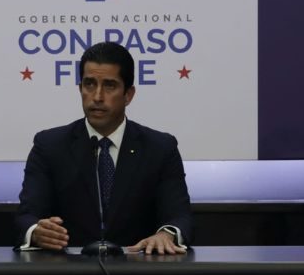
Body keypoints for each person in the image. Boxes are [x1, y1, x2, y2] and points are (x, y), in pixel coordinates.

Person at [16, 42, 193, 254]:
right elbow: (26, 215)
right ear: (80, 88)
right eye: (89, 84)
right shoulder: (50, 145)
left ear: (128, 94)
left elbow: (179, 216)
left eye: (109, 85)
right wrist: (36, 231)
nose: (97, 97)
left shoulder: (160, 148)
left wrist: (166, 234)